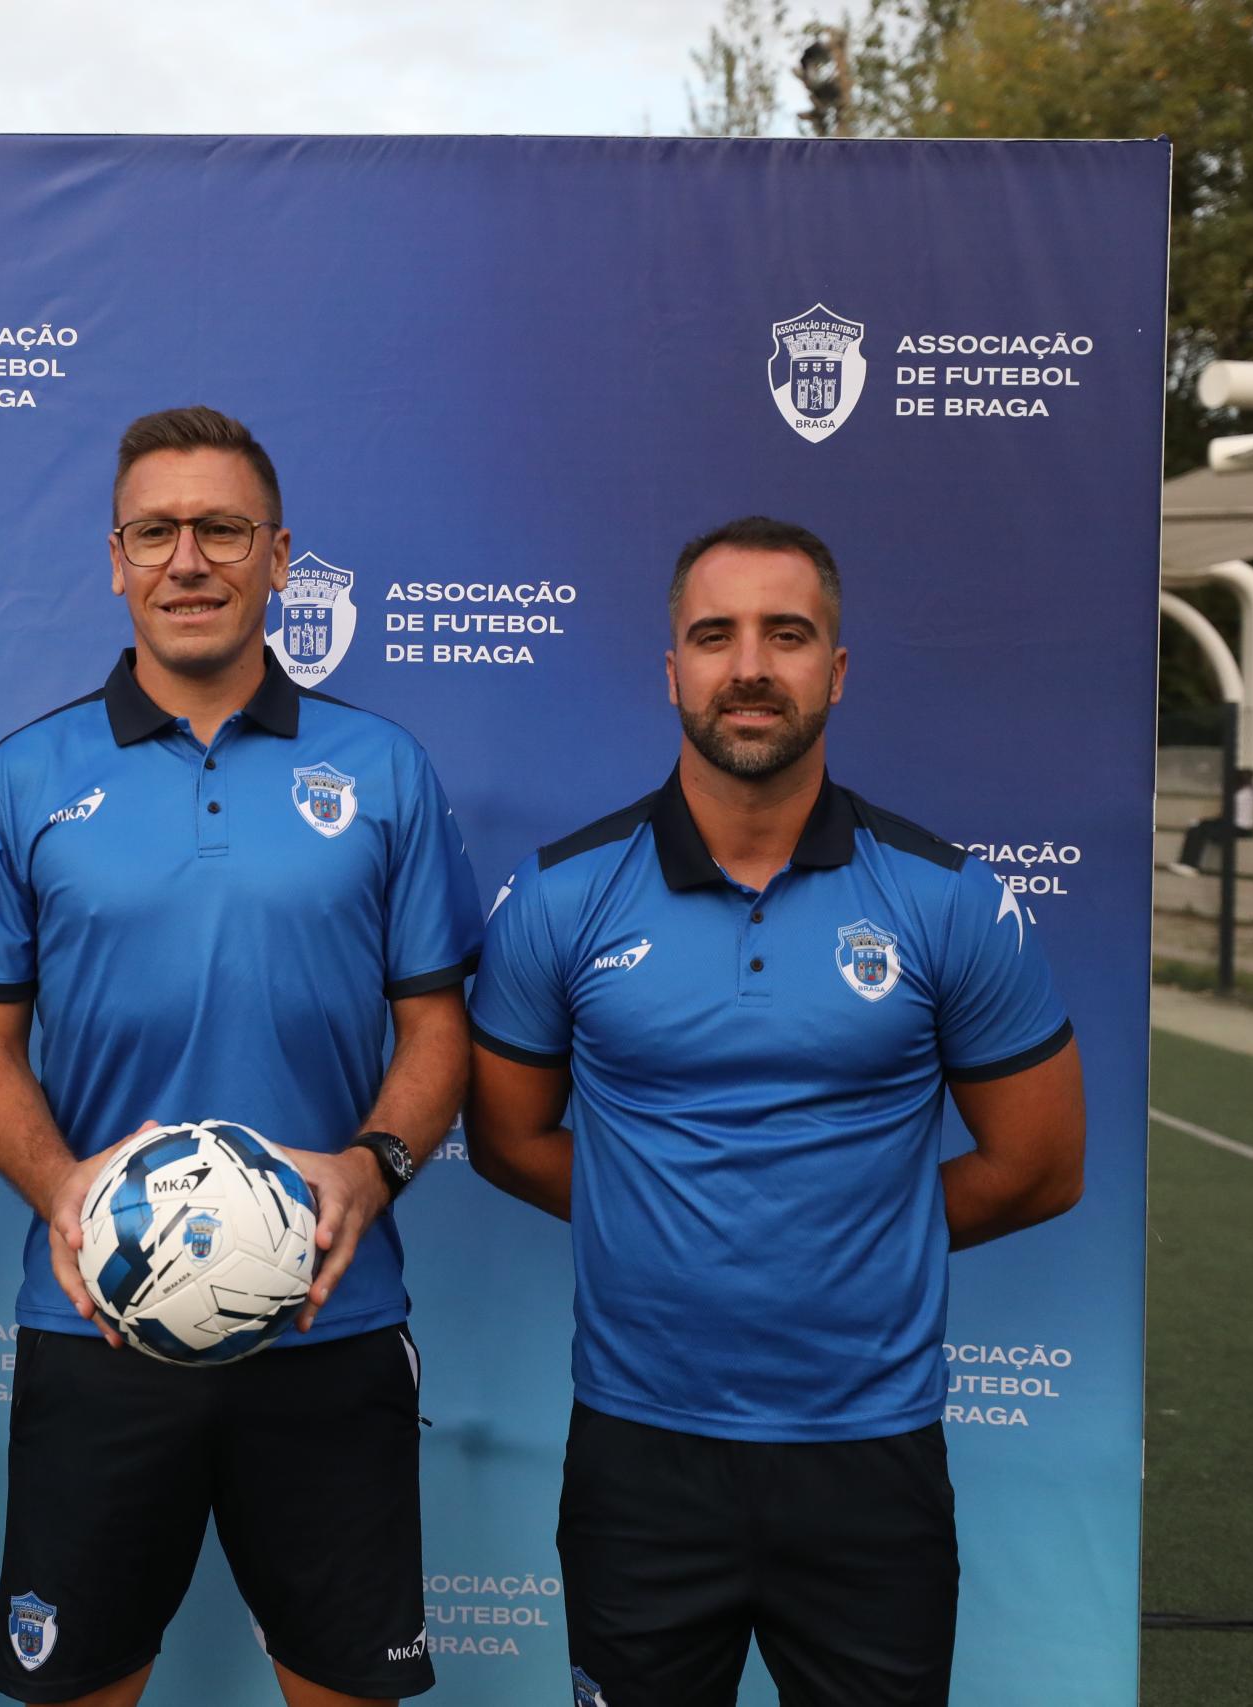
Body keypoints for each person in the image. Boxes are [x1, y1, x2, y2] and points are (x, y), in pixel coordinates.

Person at [465, 516, 1085, 1707]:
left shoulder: (945, 899)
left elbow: (1039, 1166)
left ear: (834, 672)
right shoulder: (560, 895)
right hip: (639, 1452)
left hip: (868, 1457)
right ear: (673, 673)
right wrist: (668, 1221)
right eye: (715, 635)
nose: (749, 665)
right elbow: (505, 1137)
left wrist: (843, 1226)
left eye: (786, 634)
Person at [0, 406, 480, 1707]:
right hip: (99, 1319)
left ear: (280, 555)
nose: (189, 558)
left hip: (327, 1321)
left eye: (222, 528)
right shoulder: (25, 779)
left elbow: (438, 1027)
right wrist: (66, 1191)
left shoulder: (384, 768)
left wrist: (373, 1163)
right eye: (156, 531)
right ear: (116, 560)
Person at [1170, 766, 1253, 874]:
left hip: (1238, 829)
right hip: (1239, 827)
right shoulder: (1248, 791)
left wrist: (1203, 822)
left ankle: (1190, 864)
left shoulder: (1239, 795)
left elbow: (1227, 816)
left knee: (1197, 830)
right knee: (1198, 827)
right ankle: (1186, 863)